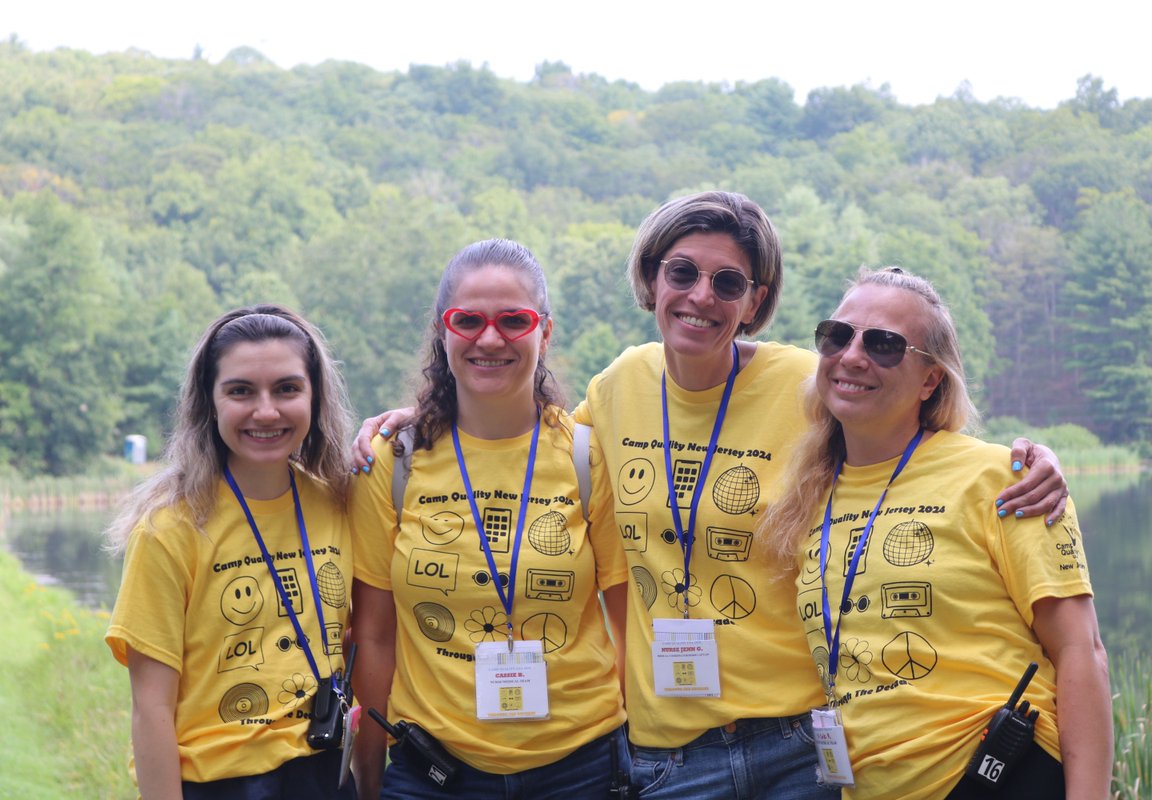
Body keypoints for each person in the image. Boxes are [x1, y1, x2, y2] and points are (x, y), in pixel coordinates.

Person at [354, 192, 1069, 799]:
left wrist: (1030, 458)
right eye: (683, 272)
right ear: (652, 280)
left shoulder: (809, 384)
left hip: (799, 745)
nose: (702, 296)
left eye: (729, 284)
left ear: (756, 301)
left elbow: (911, 431)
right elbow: (510, 442)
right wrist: (414, 418)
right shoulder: (617, 389)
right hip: (668, 755)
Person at [759, 266, 1112, 799]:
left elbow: (1082, 653)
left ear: (931, 380)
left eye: (884, 345)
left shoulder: (1005, 479)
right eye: (838, 335)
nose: (853, 355)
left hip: (998, 776)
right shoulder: (810, 497)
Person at [347, 239, 629, 800]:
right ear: (443, 332)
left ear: (544, 333)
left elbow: (627, 625)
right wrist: (372, 772)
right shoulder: (393, 460)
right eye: (469, 320)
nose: (491, 338)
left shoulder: (588, 456)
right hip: (433, 769)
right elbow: (375, 637)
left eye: (514, 320)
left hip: (583, 766)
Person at [105, 304, 357, 800]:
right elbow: (150, 709)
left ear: (315, 397)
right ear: (210, 401)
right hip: (218, 784)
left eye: (287, 388)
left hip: (325, 773)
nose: (266, 411)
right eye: (241, 391)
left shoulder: (341, 500)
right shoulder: (169, 529)